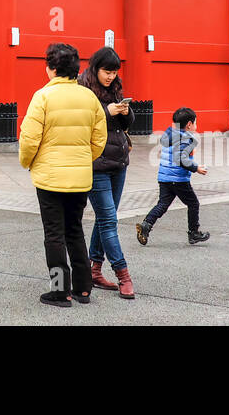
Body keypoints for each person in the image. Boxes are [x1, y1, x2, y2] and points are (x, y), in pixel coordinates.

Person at [18, 43, 106, 307]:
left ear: (52, 69)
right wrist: (82, 160)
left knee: (54, 234)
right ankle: (83, 288)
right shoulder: (89, 98)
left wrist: (28, 162)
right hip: (80, 179)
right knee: (74, 230)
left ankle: (60, 291)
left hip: (50, 178)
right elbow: (99, 138)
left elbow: (29, 140)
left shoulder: (42, 97)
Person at [77, 46, 134, 299]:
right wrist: (105, 111)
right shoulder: (82, 89)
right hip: (95, 163)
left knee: (105, 219)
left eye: (114, 72)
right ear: (95, 68)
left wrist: (125, 112)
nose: (110, 77)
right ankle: (123, 274)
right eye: (106, 72)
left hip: (118, 162)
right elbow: (79, 121)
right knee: (109, 220)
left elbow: (125, 125)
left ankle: (95, 269)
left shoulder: (115, 88)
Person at [136, 107, 210, 246]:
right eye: (195, 123)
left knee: (163, 204)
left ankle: (146, 225)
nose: (196, 126)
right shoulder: (186, 139)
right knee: (193, 203)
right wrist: (196, 168)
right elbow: (181, 159)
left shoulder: (169, 134)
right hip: (178, 179)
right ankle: (193, 233)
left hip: (164, 177)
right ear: (189, 124)